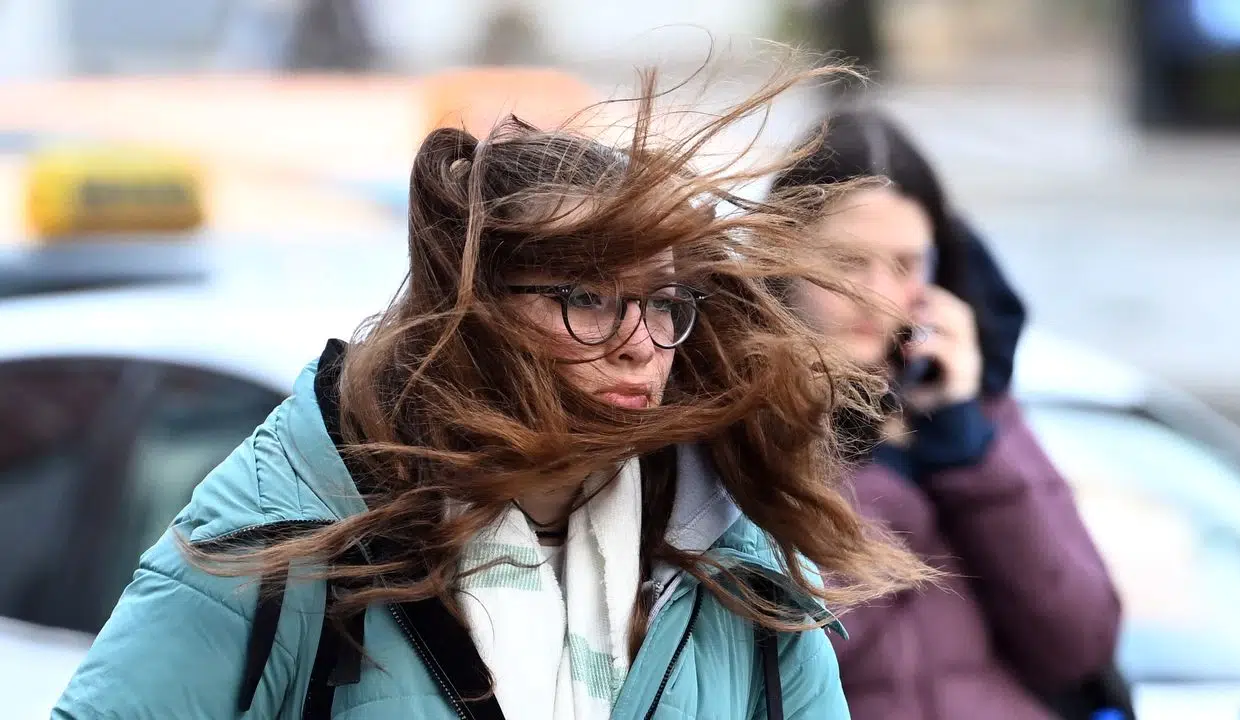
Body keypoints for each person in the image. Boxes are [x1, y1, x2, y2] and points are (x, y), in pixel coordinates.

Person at [52, 69, 931, 720]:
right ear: (475, 312)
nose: (639, 345)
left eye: (665, 302)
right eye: (586, 297)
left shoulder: (744, 567)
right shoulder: (289, 527)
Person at [768, 108, 1125, 720]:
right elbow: (795, 650)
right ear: (780, 260)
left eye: (905, 265)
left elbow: (1080, 641)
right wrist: (870, 468)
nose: (877, 295)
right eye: (845, 263)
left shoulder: (971, 411)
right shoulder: (737, 424)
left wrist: (968, 450)